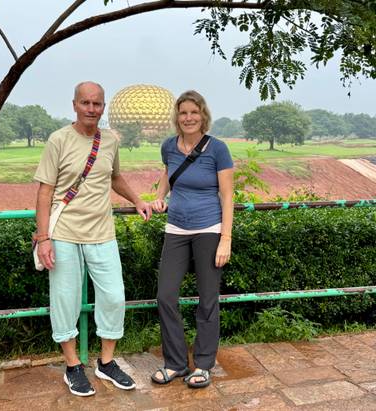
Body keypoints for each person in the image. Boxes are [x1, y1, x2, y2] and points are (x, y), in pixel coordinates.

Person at [34, 81, 152, 397]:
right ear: (74, 105)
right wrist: (43, 238)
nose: (91, 109)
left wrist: (137, 200)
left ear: (103, 106)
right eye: (85, 103)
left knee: (114, 296)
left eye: (96, 104)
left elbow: (114, 178)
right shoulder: (58, 140)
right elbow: (45, 191)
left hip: (102, 232)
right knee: (65, 299)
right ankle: (73, 367)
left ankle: (106, 362)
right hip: (64, 235)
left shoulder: (109, 141)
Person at [150, 90, 233, 389]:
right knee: (166, 295)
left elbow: (227, 195)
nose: (188, 118)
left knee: (207, 299)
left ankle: (204, 364)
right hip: (176, 229)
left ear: (203, 115)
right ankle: (175, 363)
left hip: (209, 228)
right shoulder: (169, 146)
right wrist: (160, 197)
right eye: (183, 113)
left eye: (193, 112)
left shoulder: (217, 149)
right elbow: (167, 173)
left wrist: (226, 238)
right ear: (177, 116)